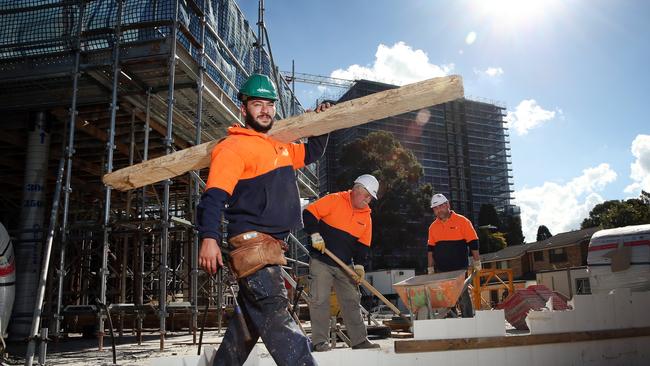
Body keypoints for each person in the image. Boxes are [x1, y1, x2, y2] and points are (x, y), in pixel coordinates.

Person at [197, 73, 329, 366]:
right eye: (258, 104)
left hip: (269, 249)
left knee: (245, 329)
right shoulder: (232, 147)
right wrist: (208, 238)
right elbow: (214, 197)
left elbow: (313, 151)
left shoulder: (279, 147)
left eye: (269, 104)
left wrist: (321, 123)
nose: (265, 110)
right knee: (279, 321)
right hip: (252, 248)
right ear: (244, 109)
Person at [302, 174, 381, 351]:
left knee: (352, 299)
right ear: (356, 190)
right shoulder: (334, 200)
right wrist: (315, 234)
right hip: (321, 260)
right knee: (319, 300)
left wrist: (359, 266)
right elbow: (308, 213)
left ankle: (359, 340)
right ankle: (319, 342)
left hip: (344, 264)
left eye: (370, 198)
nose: (368, 200)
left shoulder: (366, 217)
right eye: (367, 195)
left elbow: (362, 246)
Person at [426, 193, 481, 318]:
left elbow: (473, 242)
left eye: (441, 206)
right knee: (445, 297)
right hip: (441, 269)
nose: (439, 210)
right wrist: (430, 267)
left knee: (462, 293)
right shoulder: (433, 227)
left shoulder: (462, 221)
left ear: (448, 205)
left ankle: (468, 319)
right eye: (436, 208)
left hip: (459, 268)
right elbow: (430, 249)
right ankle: (451, 319)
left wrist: (477, 261)